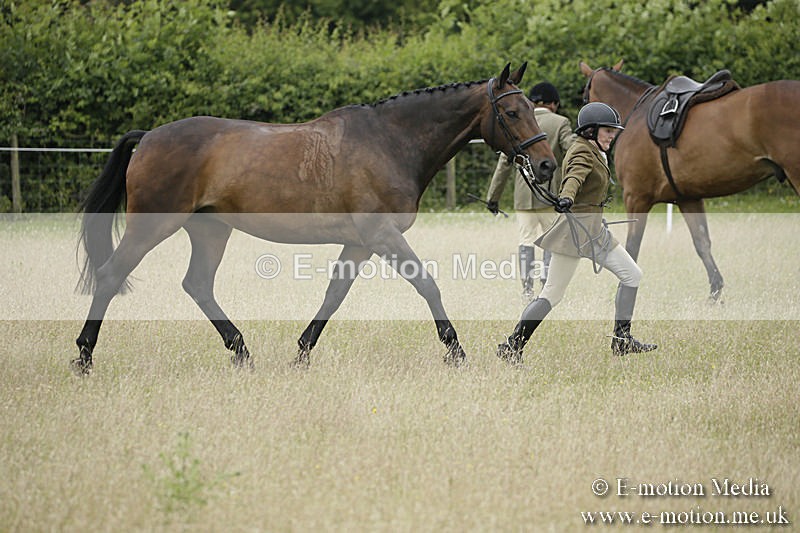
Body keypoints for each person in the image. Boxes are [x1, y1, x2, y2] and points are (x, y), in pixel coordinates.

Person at [496, 102, 658, 362]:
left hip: (594, 231)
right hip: (574, 233)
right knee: (552, 294)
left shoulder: (597, 151)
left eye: (613, 131)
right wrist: (567, 198)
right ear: (591, 131)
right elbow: (574, 178)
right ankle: (512, 346)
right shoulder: (582, 151)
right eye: (607, 131)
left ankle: (621, 340)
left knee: (632, 274)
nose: (612, 136)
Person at [486, 82, 576, 300]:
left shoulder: (519, 120)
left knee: (526, 240)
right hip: (551, 195)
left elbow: (503, 165)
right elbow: (572, 149)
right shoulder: (560, 122)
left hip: (524, 196)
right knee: (550, 241)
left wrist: (493, 198)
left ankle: (527, 289)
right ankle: (547, 287)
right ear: (554, 103)